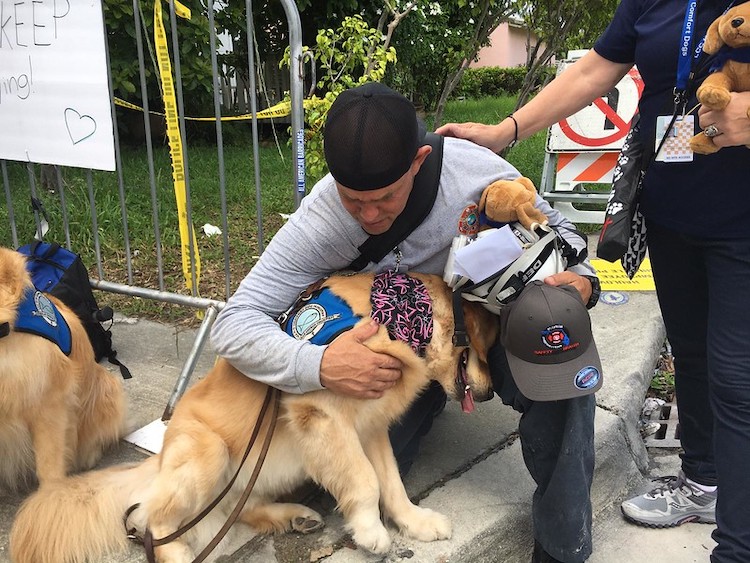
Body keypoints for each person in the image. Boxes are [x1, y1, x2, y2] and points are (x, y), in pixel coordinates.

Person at [210, 81, 601, 563]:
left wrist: (583, 281)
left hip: (480, 325)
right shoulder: (323, 218)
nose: (369, 215)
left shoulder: (475, 173)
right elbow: (233, 324)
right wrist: (319, 364)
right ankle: (430, 396)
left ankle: (564, 547)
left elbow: (559, 232)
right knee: (345, 463)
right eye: (354, 200)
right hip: (397, 353)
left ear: (417, 161)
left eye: (385, 198)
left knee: (558, 347)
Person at [436, 2, 750, 562]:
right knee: (694, 356)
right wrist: (506, 130)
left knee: (735, 377)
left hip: (742, 223)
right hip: (674, 211)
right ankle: (704, 483)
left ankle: (737, 546)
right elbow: (591, 71)